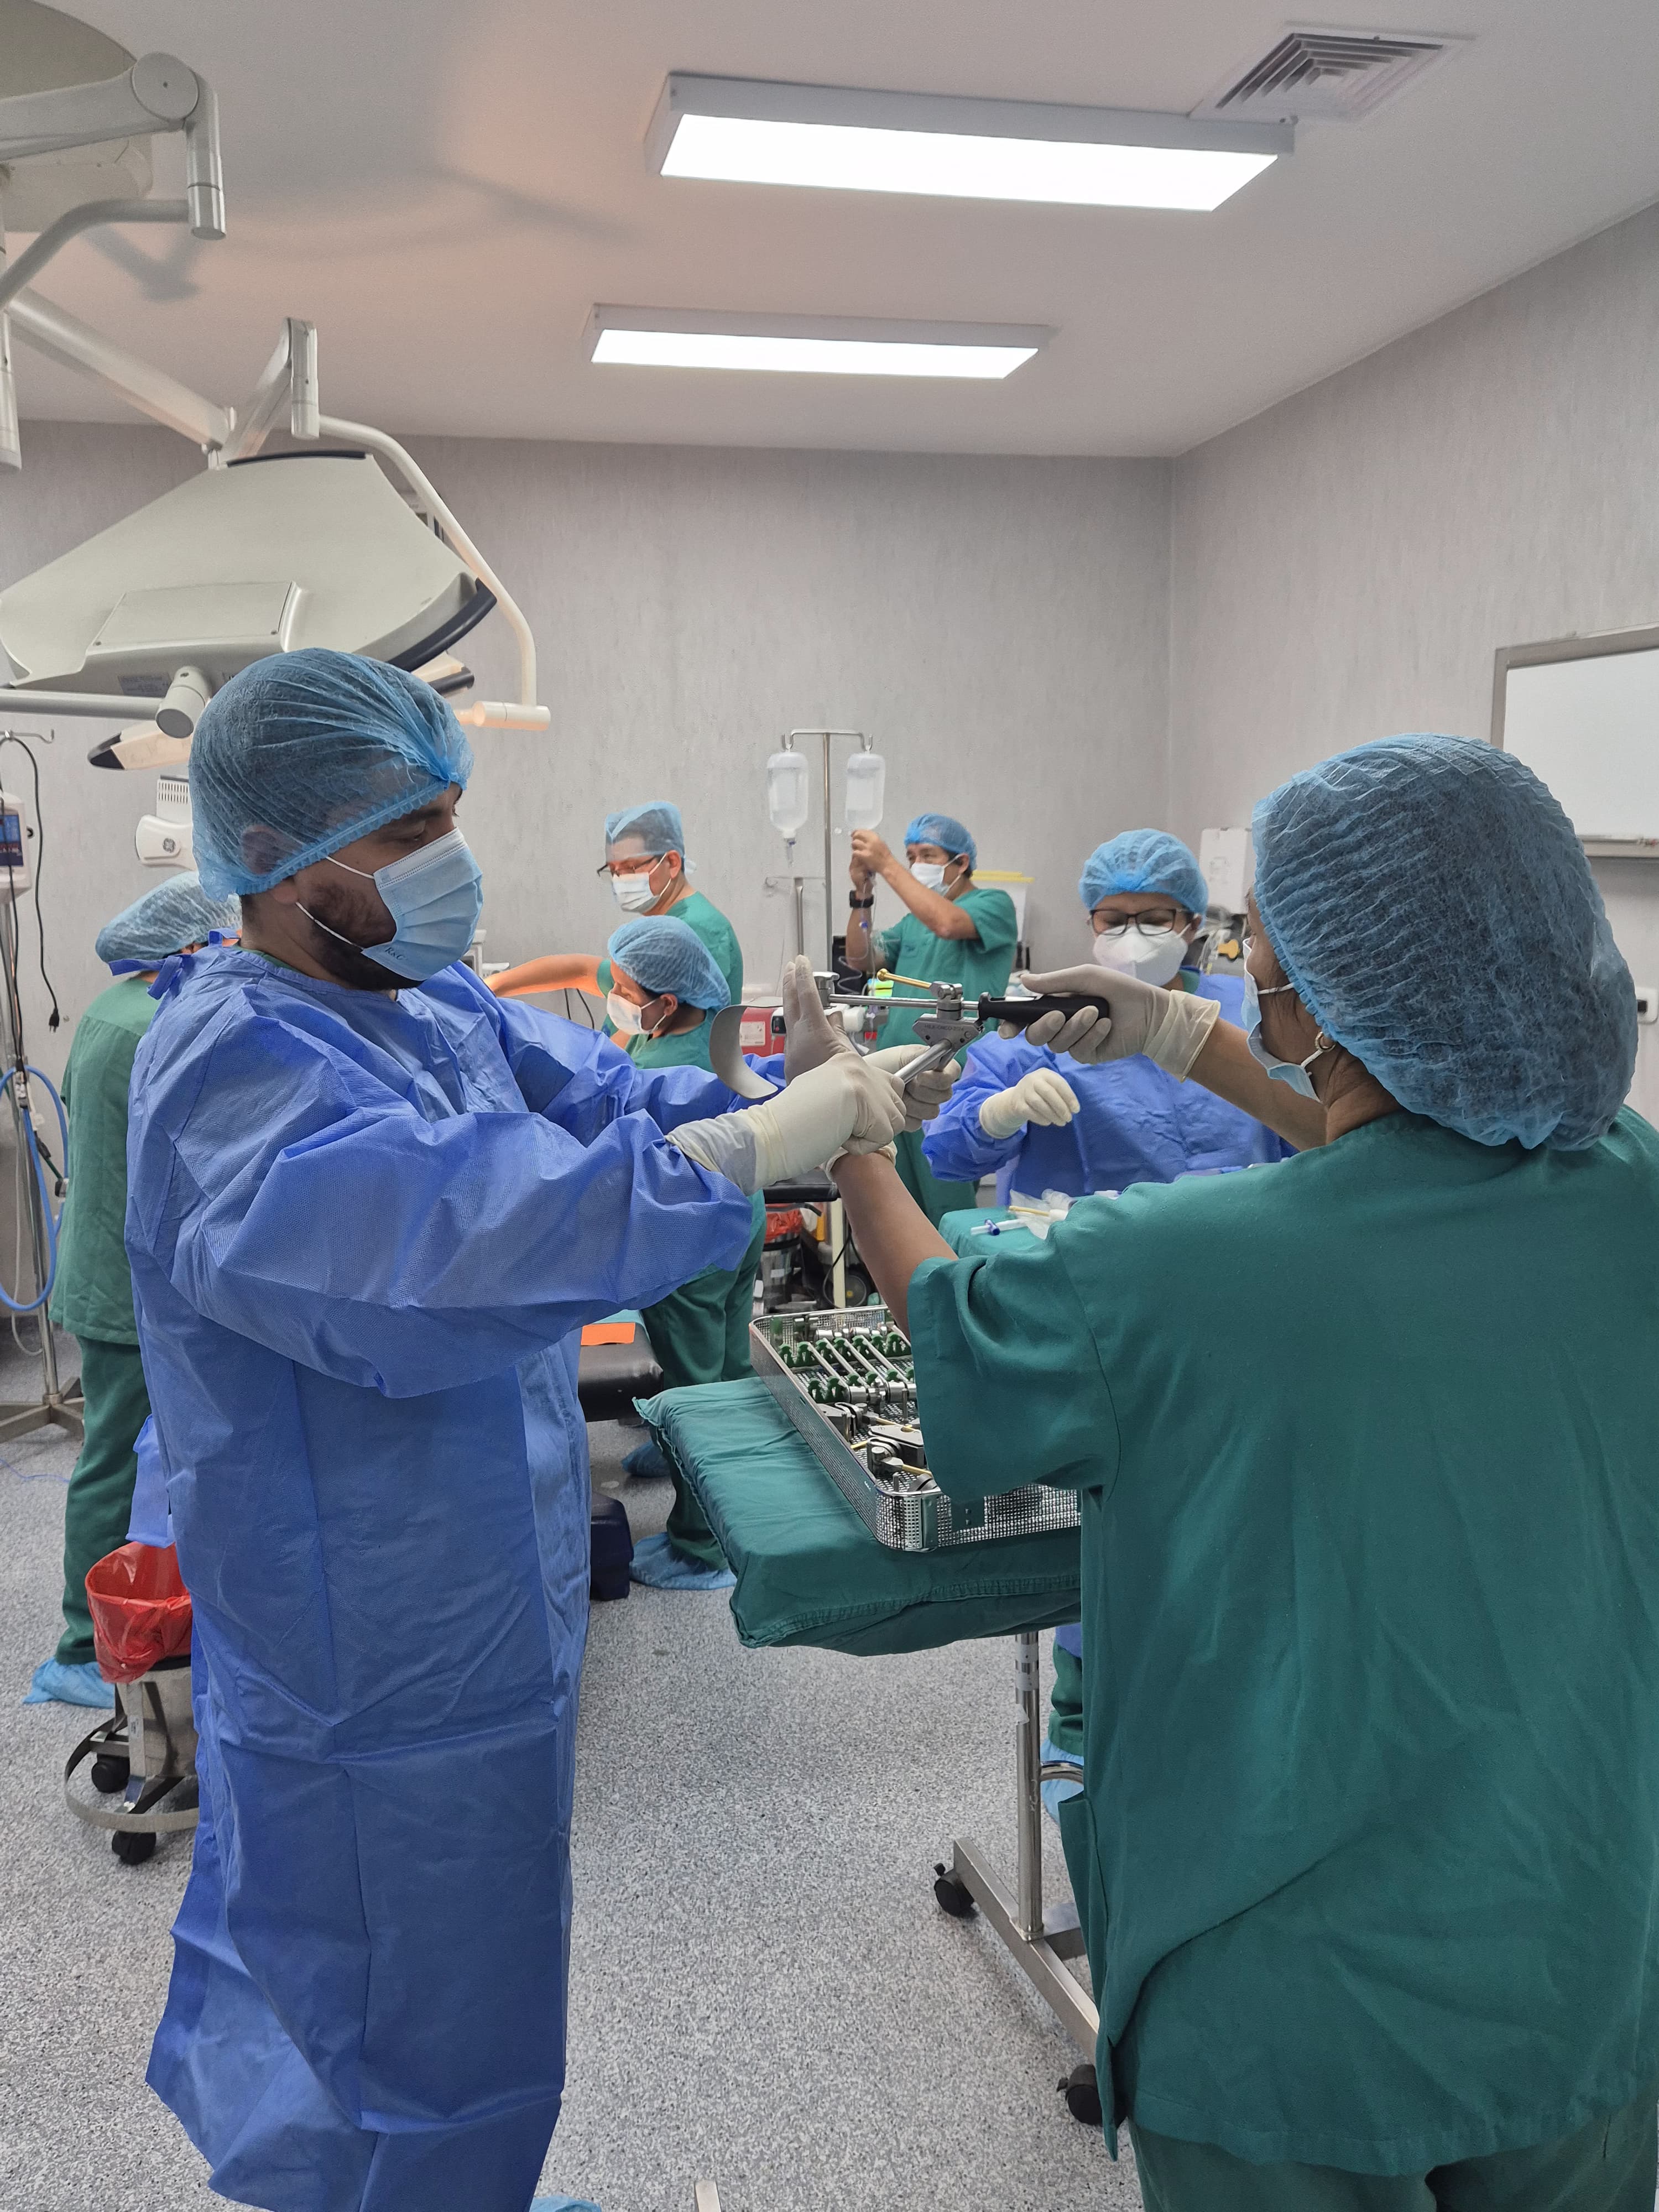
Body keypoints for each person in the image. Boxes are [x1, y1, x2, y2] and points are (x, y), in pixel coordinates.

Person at [823, 734, 1659, 2212]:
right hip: (1570, 1937)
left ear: (1329, 996)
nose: (1243, 973)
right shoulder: (1626, 1188)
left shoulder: (1177, 1268)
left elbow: (958, 1336)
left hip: (1290, 1984)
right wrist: (1185, 1040)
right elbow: (1424, 1146)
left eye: (1254, 949)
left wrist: (852, 1148)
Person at [126, 649, 914, 2212]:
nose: (450, 861)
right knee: (386, 1988)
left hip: (482, 1606)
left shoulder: (431, 1005)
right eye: (408, 833)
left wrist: (806, 1108)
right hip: (362, 1647)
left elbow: (606, 1110)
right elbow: (455, 1238)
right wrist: (758, 1148)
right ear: (273, 858)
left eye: (450, 817)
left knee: (469, 1975)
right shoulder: (233, 1066)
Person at [920, 828, 1292, 1822]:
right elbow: (948, 1145)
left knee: (1236, 1531)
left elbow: (1319, 1138)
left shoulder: (1244, 1017)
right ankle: (1084, 1743)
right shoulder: (1047, 1017)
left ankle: (1228, 1745)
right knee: (1106, 1534)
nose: (1133, 937)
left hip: (1242, 1309)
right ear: (1088, 923)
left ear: (1193, 924)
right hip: (1102, 1314)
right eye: (1113, 920)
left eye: (1154, 918)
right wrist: (999, 1116)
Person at [22, 872, 238, 1709]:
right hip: (125, 1287)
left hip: (110, 1264)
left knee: (129, 1452)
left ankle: (146, 1614)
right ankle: (81, 1646)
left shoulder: (113, 1009)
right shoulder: (157, 1020)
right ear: (189, 943)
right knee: (114, 1458)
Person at [603, 914, 764, 1590]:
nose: (614, 997)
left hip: (691, 1245)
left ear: (666, 1002)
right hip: (740, 1223)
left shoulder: (660, 1069)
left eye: (623, 989)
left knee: (694, 1392)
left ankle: (703, 1543)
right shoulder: (713, 1046)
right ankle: (707, 1474)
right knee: (727, 1369)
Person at [843, 810, 1017, 1223]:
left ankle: (949, 1265)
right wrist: (862, 895)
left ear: (961, 862)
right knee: (894, 1206)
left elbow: (947, 923)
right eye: (910, 856)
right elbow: (861, 957)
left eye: (927, 855)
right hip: (896, 1075)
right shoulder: (912, 923)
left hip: (952, 1080)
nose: (916, 864)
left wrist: (887, 864)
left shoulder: (993, 905)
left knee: (945, 1202)